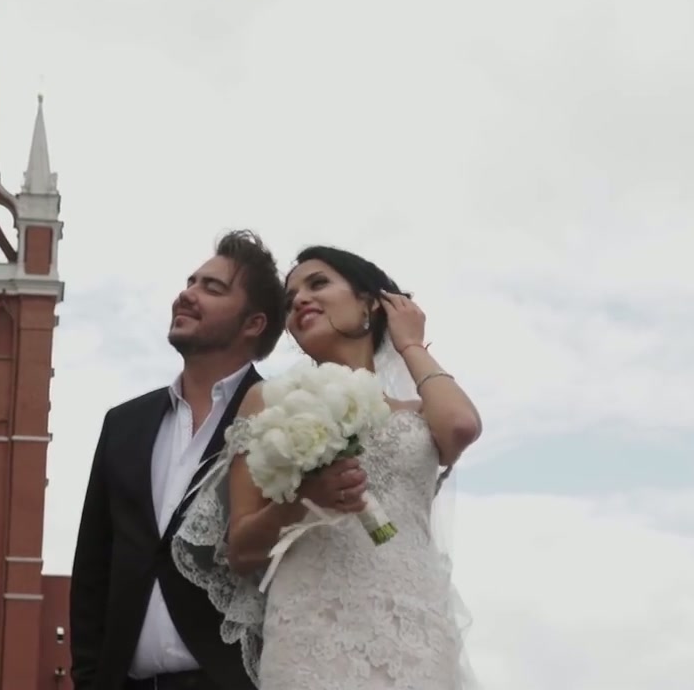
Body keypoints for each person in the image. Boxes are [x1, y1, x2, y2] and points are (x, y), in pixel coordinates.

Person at [171, 246, 482, 690]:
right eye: (289, 299)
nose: (299, 300)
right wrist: (303, 500)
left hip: (414, 628)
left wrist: (410, 343)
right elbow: (241, 551)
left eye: (318, 284)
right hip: (312, 630)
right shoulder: (268, 403)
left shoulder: (419, 413)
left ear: (370, 303)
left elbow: (462, 426)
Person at [70, 230, 286, 690]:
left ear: (253, 324)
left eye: (213, 288)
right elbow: (93, 568)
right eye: (191, 282)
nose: (187, 294)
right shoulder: (123, 424)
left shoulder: (285, 420)